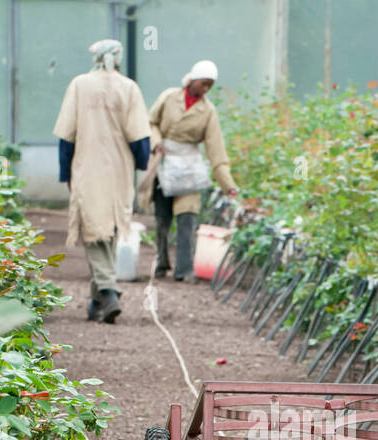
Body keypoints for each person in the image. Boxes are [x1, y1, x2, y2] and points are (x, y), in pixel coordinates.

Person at [53, 38, 151, 323]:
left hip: (87, 166)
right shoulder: (129, 88)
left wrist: (66, 172)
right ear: (117, 59)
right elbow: (140, 138)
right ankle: (97, 302)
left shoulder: (80, 85)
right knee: (105, 229)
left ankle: (108, 291)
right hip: (119, 169)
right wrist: (139, 165)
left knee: (93, 228)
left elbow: (66, 135)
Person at [143, 60, 239, 280]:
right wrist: (156, 141)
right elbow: (151, 122)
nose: (205, 89)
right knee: (162, 217)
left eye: (209, 86)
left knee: (187, 218)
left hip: (189, 169)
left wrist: (228, 184)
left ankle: (184, 269)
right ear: (193, 80)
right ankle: (161, 261)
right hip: (165, 163)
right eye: (203, 84)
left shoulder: (208, 112)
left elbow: (216, 149)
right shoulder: (169, 98)